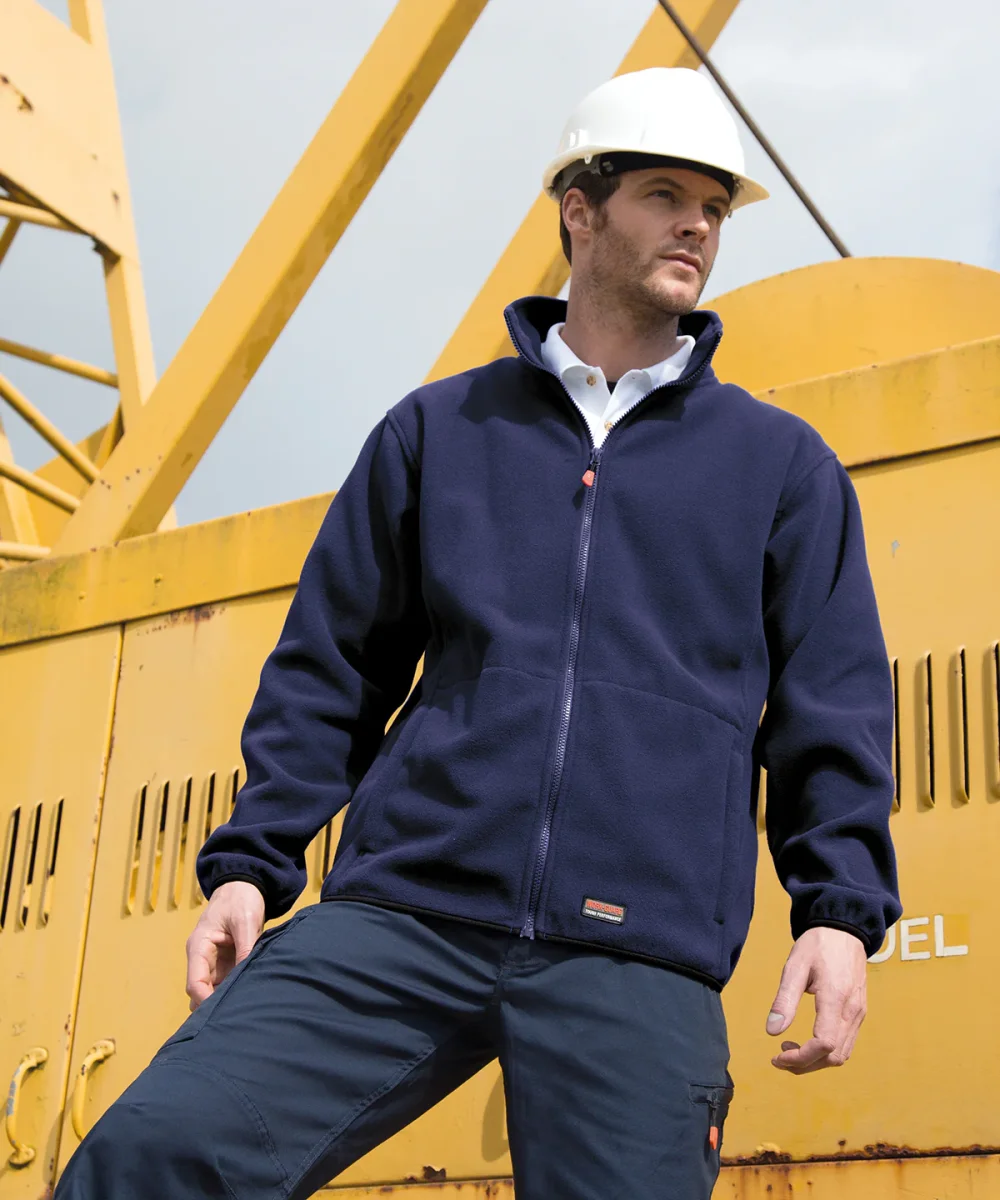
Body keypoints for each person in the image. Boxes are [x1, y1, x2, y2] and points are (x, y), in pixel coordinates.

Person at [56, 67, 901, 1199]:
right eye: (663, 194)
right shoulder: (438, 431)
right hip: (407, 911)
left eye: (713, 206)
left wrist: (839, 914)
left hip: (637, 944)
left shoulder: (780, 465)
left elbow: (830, 706)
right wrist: (252, 865)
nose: (697, 225)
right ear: (579, 211)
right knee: (153, 1153)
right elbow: (332, 669)